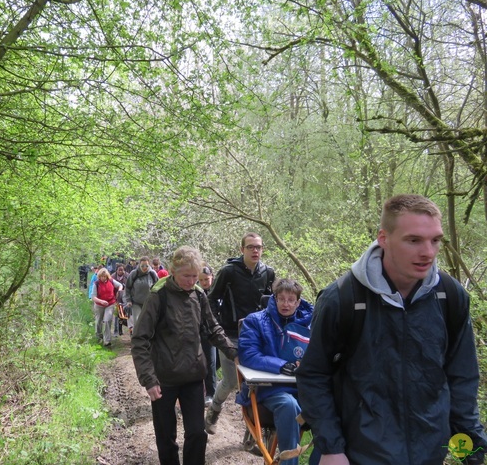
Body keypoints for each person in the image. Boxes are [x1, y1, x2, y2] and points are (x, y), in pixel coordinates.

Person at [296, 194, 487, 465]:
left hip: (430, 453)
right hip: (358, 453)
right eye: (414, 240)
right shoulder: (344, 298)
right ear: (384, 239)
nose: (428, 252)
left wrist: (471, 450)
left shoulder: (450, 296)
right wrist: (331, 447)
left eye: (435, 240)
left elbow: (462, 376)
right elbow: (314, 375)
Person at [131, 246, 238, 465]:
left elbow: (213, 329)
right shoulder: (158, 296)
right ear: (172, 271)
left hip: (193, 376)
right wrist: (148, 380)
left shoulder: (198, 295)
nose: (191, 281)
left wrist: (233, 353)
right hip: (164, 379)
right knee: (166, 435)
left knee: (198, 433)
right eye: (186, 276)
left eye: (194, 276)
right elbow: (140, 339)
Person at [237, 278, 315, 465]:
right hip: (269, 388)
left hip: (303, 389)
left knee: (334, 406)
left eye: (290, 300)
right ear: (275, 298)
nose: (285, 304)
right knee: (288, 405)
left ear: (298, 302)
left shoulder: (311, 324)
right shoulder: (255, 321)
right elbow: (248, 354)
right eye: (281, 299)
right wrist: (280, 365)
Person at [205, 232, 275, 435]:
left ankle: (251, 433)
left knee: (256, 383)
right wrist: (216, 325)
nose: (255, 250)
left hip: (257, 336)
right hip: (229, 334)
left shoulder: (268, 273)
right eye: (251, 247)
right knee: (231, 381)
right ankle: (214, 411)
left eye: (259, 247)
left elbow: (272, 303)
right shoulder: (228, 271)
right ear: (241, 249)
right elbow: (211, 299)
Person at [124, 256, 159, 335]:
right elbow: (128, 288)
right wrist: (128, 300)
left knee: (148, 322)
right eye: (142, 266)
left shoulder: (152, 274)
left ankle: (146, 340)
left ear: (149, 265)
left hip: (148, 303)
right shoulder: (134, 273)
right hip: (136, 302)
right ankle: (136, 340)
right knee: (137, 322)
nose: (144, 268)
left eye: (146, 266)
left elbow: (157, 287)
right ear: (139, 265)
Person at [198, 263, 216, 407]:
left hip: (218, 331)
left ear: (212, 277)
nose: (204, 282)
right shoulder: (196, 292)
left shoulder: (218, 292)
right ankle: (210, 392)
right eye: (202, 280)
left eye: (207, 279)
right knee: (208, 361)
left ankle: (211, 387)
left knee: (214, 363)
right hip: (202, 332)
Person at [92, 267, 123, 347]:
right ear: (99, 276)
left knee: (107, 321)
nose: (103, 278)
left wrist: (119, 291)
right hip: (99, 305)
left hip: (110, 304)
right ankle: (98, 337)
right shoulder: (96, 284)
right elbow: (93, 297)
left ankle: (107, 340)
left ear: (107, 276)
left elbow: (120, 285)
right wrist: (101, 301)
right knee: (99, 321)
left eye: (105, 276)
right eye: (102, 276)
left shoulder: (111, 281)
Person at [111, 264, 129, 336]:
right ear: (116, 270)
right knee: (116, 314)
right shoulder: (112, 277)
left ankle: (121, 330)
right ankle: (116, 331)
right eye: (119, 270)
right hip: (116, 298)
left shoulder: (127, 276)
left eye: (122, 270)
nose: (121, 271)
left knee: (123, 314)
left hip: (125, 298)